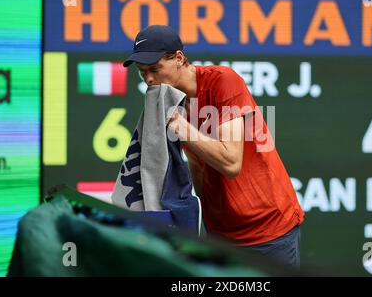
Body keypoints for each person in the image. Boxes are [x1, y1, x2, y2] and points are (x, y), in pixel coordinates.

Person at [123, 25, 305, 268]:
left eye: (155, 69)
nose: (149, 80)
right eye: (142, 72)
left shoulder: (224, 81)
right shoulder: (171, 102)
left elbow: (231, 163)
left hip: (269, 230)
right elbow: (198, 168)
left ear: (179, 58)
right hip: (221, 234)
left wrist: (180, 126)